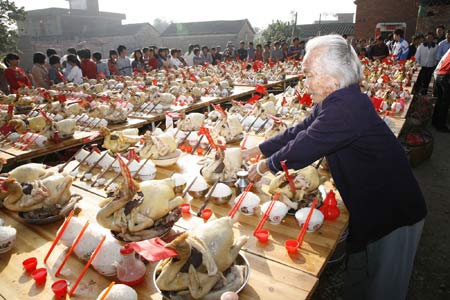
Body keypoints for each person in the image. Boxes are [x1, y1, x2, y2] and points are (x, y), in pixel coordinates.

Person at [243, 34, 426, 300]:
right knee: (361, 278)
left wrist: (263, 167)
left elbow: (306, 145)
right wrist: (257, 149)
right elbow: (299, 130)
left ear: (333, 78)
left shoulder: (347, 108)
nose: (305, 83)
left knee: (385, 289)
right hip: (370, 205)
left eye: (308, 75)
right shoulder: (338, 100)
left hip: (395, 212)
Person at [432, 49, 450, 132]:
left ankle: (435, 121)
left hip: (440, 75)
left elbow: (442, 61)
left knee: (440, 100)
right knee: (445, 102)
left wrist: (436, 76)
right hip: (446, 77)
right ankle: (440, 125)